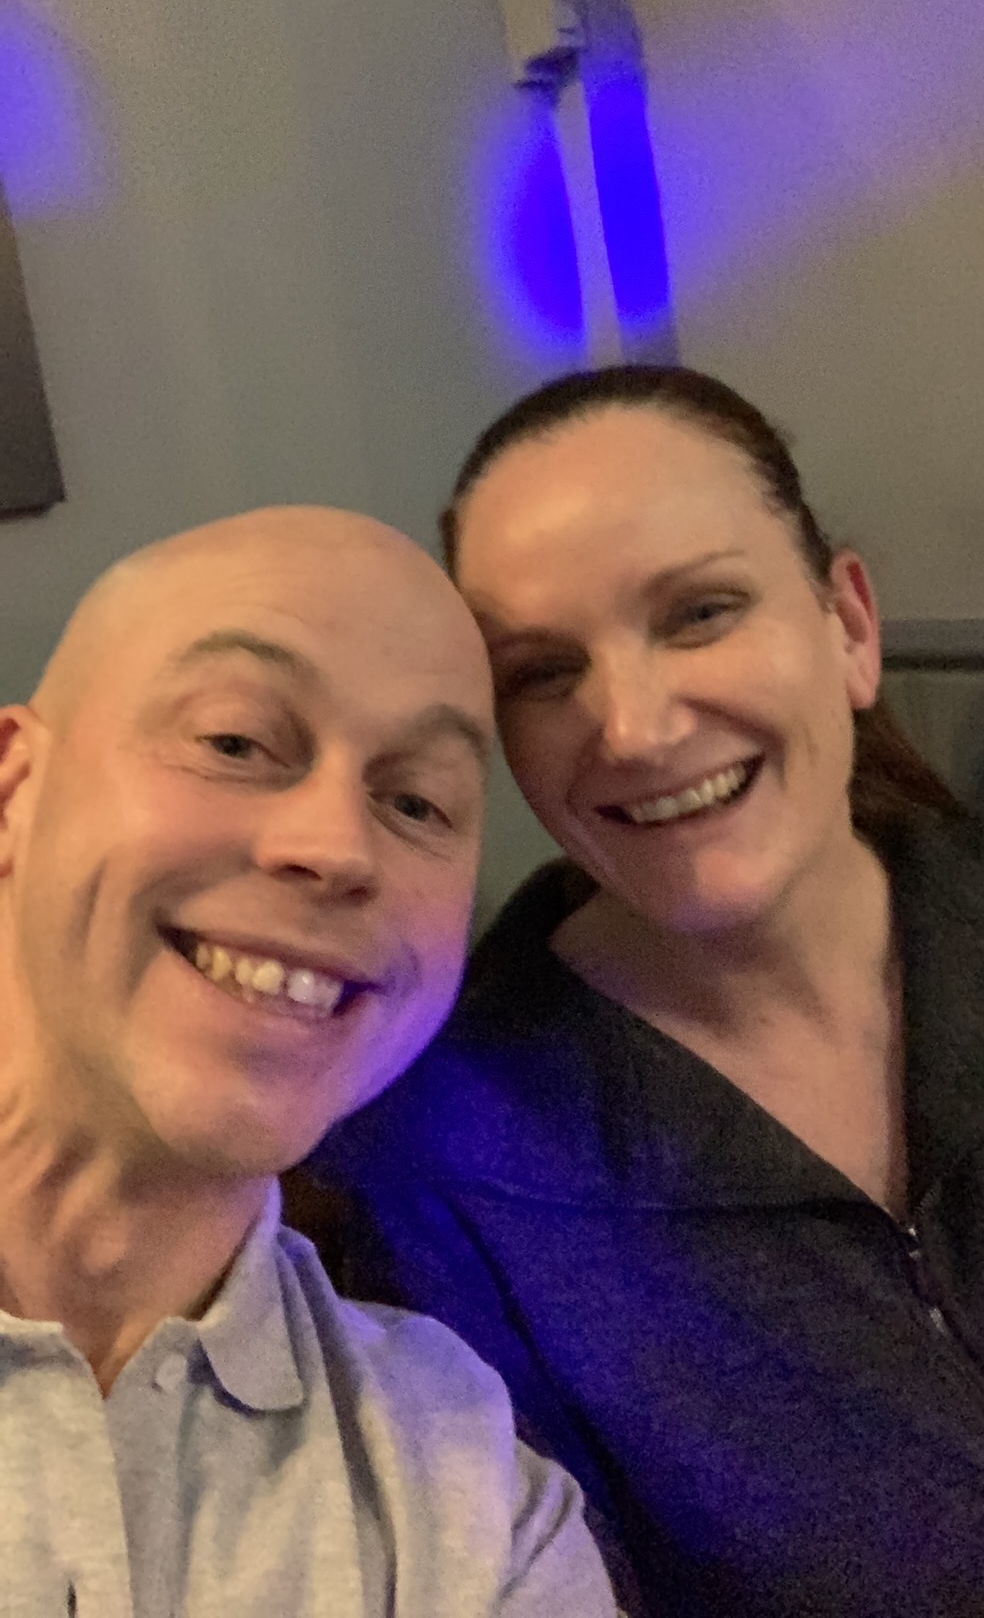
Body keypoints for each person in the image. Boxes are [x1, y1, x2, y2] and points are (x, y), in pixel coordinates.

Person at [319, 367, 984, 1618]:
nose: (633, 727)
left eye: (700, 613)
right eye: (544, 672)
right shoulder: (447, 1173)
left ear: (849, 626)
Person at [0, 504, 618, 1617]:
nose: (337, 848)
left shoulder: (468, 1497)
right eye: (235, 742)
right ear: (13, 793)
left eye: (417, 802)